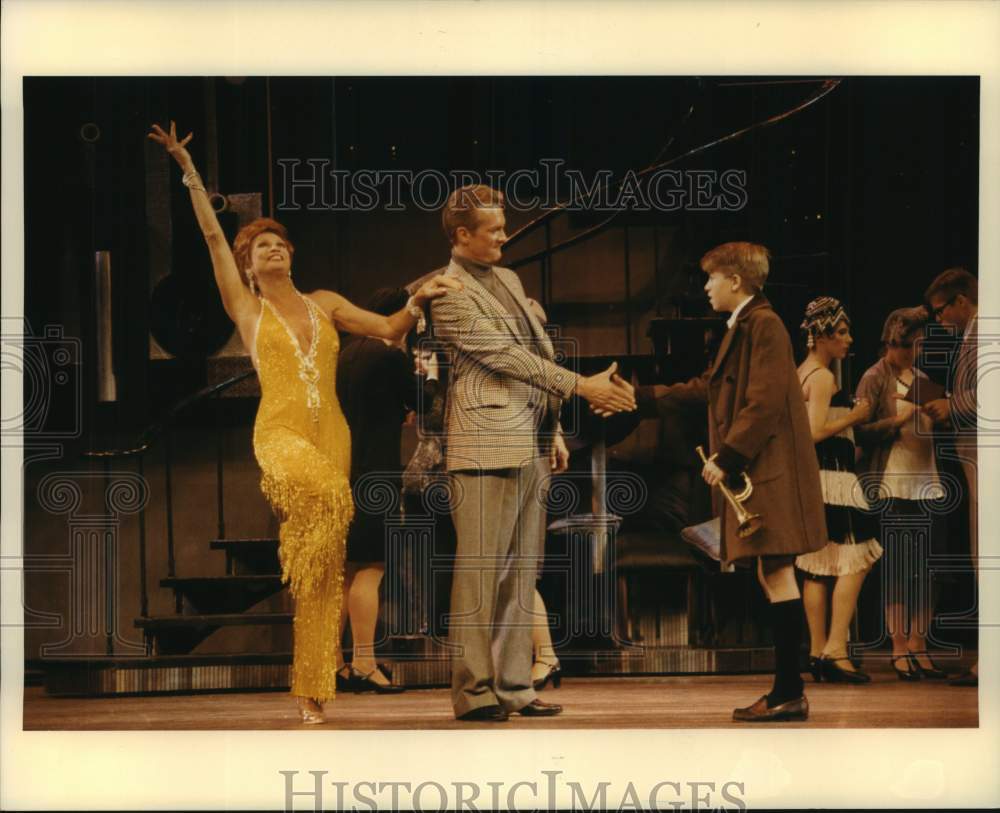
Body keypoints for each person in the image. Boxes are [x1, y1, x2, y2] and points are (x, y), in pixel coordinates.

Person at [147, 122, 459, 723]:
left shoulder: (328, 304)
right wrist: (187, 166)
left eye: (281, 244)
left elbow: (391, 330)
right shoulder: (246, 308)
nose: (275, 250)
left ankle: (311, 688)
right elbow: (212, 236)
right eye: (262, 247)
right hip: (281, 435)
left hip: (333, 433)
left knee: (325, 570)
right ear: (248, 263)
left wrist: (416, 303)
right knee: (332, 501)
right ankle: (301, 573)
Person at [428, 184, 636, 722]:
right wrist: (582, 387)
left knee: (522, 573)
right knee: (480, 573)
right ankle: (474, 693)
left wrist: (556, 431)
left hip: (530, 440)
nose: (503, 235)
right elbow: (504, 358)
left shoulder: (509, 279)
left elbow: (536, 351)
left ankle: (515, 687)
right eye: (493, 228)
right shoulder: (446, 292)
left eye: (502, 225)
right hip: (483, 444)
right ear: (461, 235)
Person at [634, 241, 827, 722]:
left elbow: (762, 401)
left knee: (777, 572)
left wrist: (728, 457)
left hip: (769, 469)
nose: (706, 287)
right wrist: (640, 397)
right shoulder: (746, 326)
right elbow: (708, 387)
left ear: (735, 281)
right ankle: (788, 688)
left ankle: (789, 691)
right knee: (772, 573)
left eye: (712, 278)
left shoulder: (763, 324)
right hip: (763, 469)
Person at [855, 306, 949, 681]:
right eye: (907, 347)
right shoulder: (874, 377)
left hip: (926, 479)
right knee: (898, 567)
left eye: (918, 347)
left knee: (927, 569)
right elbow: (858, 431)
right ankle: (897, 645)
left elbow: (936, 423)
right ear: (891, 343)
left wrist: (939, 412)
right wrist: (896, 421)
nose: (912, 354)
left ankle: (919, 643)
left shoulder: (922, 377)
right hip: (893, 481)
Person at [794, 297, 883, 683]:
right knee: (857, 559)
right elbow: (813, 433)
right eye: (842, 333)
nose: (849, 340)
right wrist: (856, 416)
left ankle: (817, 651)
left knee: (819, 566)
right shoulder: (823, 377)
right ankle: (835, 649)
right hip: (832, 477)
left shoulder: (802, 372)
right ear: (823, 337)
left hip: (817, 479)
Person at [335, 287, 419, 694]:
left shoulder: (344, 355)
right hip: (378, 473)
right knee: (371, 569)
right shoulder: (390, 355)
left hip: (343, 470)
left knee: (347, 572)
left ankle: (332, 662)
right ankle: (365, 662)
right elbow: (421, 401)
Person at [922, 268, 979, 687]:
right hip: (973, 458)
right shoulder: (970, 334)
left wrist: (949, 405)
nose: (939, 319)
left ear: (961, 300)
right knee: (981, 558)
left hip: (986, 458)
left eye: (942, 310)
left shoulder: (987, 332)